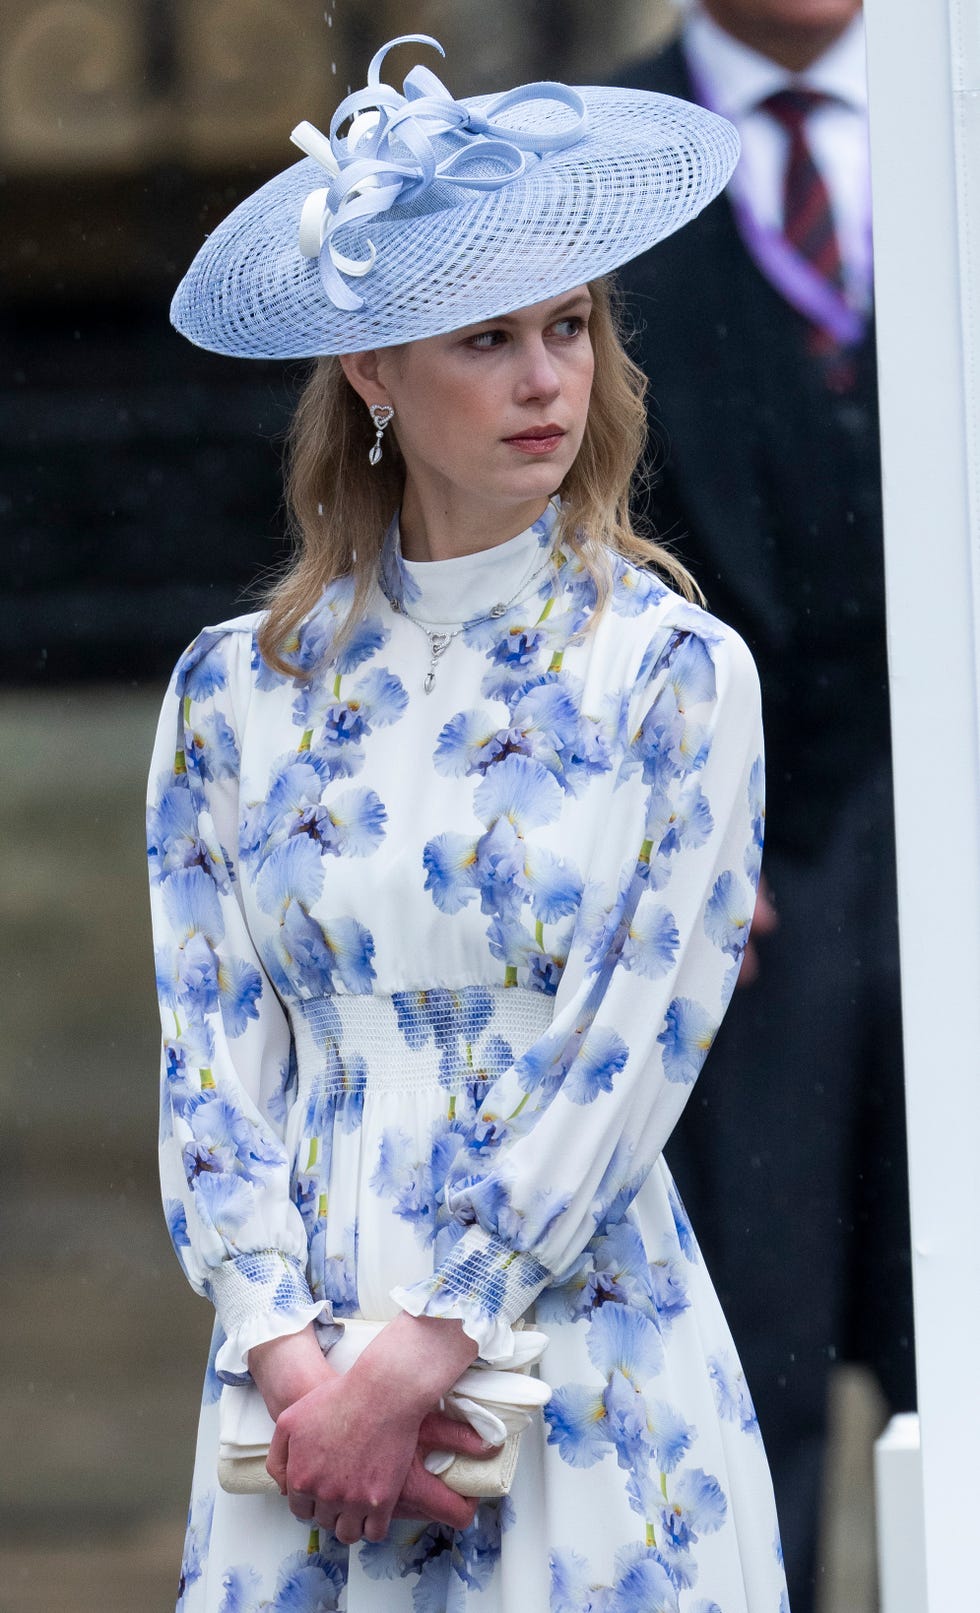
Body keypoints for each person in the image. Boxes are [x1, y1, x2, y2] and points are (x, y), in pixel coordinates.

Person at [148, 34, 790, 1612]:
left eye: (568, 327)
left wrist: (430, 1345)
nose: (544, 379)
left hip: (582, 1348)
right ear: (373, 371)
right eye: (486, 337)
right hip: (294, 1391)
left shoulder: (675, 672)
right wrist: (295, 1361)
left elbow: (634, 1041)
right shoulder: (237, 692)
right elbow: (210, 1055)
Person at [617, 5, 915, 1610]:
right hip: (732, 896)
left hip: (958, 855)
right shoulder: (598, 164)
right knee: (751, 1370)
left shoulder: (959, 112)